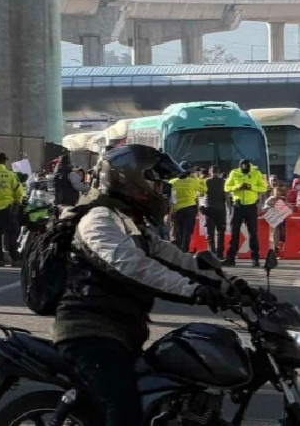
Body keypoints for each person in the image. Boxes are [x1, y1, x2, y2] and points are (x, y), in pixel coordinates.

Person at [54, 145, 249, 426]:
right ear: (128, 179)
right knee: (124, 417)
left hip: (122, 330)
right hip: (90, 334)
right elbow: (132, 266)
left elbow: (177, 258)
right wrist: (193, 290)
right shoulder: (98, 219)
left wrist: (232, 285)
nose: (161, 190)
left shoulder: (131, 222)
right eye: (155, 182)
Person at [224, 159, 268, 267]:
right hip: (237, 206)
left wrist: (251, 187)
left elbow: (264, 188)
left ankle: (255, 258)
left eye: (246, 169)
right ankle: (231, 258)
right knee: (234, 233)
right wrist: (237, 187)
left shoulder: (256, 173)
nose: (244, 171)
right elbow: (226, 187)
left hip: (251, 206)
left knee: (253, 233)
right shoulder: (234, 173)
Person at [169, 162, 207, 253]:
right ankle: (185, 251)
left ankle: (179, 251)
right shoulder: (192, 181)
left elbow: (169, 197)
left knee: (179, 231)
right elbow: (204, 190)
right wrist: (200, 178)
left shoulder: (172, 182)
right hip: (189, 209)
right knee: (187, 232)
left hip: (177, 210)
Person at [201, 166, 228, 259]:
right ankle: (220, 254)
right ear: (219, 172)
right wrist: (228, 208)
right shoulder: (224, 182)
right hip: (220, 209)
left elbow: (201, 194)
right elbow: (226, 196)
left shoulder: (206, 181)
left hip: (209, 209)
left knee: (210, 233)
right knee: (221, 233)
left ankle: (212, 254)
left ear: (210, 172)